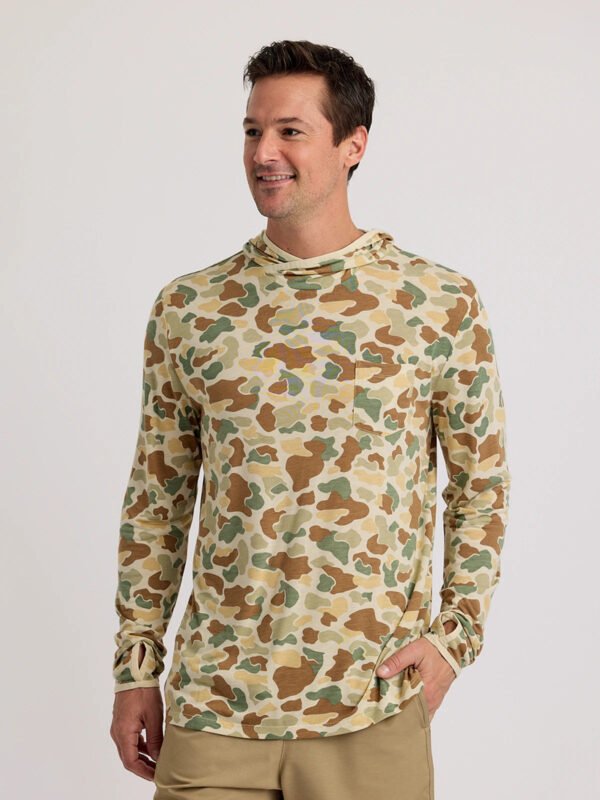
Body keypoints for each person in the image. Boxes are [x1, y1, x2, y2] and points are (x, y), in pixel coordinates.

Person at [110, 39, 511, 800]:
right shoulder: (190, 308)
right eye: (252, 130)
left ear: (353, 144)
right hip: (214, 707)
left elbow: (481, 485)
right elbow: (157, 499)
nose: (264, 151)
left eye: (290, 131)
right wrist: (136, 668)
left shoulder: (437, 303)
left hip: (371, 706)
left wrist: (454, 639)